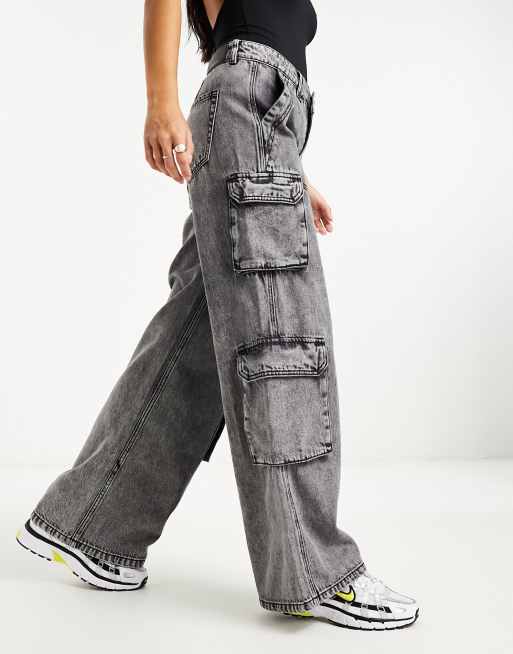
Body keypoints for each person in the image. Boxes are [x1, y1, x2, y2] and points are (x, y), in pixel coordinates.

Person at [16, 0, 419, 630]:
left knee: (196, 340)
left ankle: (94, 525)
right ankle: (313, 571)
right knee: (281, 341)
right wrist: (160, 100)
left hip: (257, 126)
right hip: (247, 110)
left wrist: (290, 170)